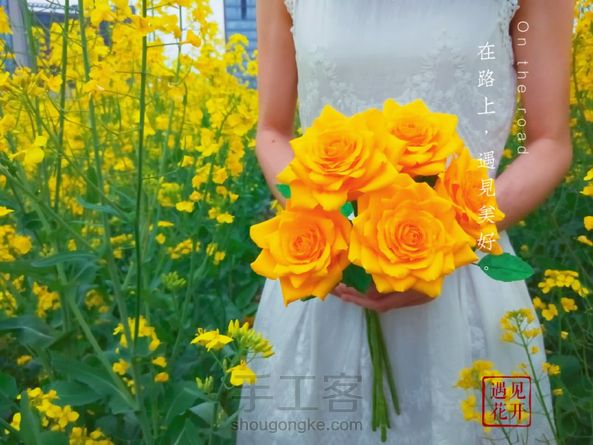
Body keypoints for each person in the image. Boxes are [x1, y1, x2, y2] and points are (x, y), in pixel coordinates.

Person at [236, 0, 574, 443]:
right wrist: (339, 232)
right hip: (329, 284)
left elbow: (549, 141)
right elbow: (272, 132)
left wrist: (445, 242)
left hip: (467, 278)